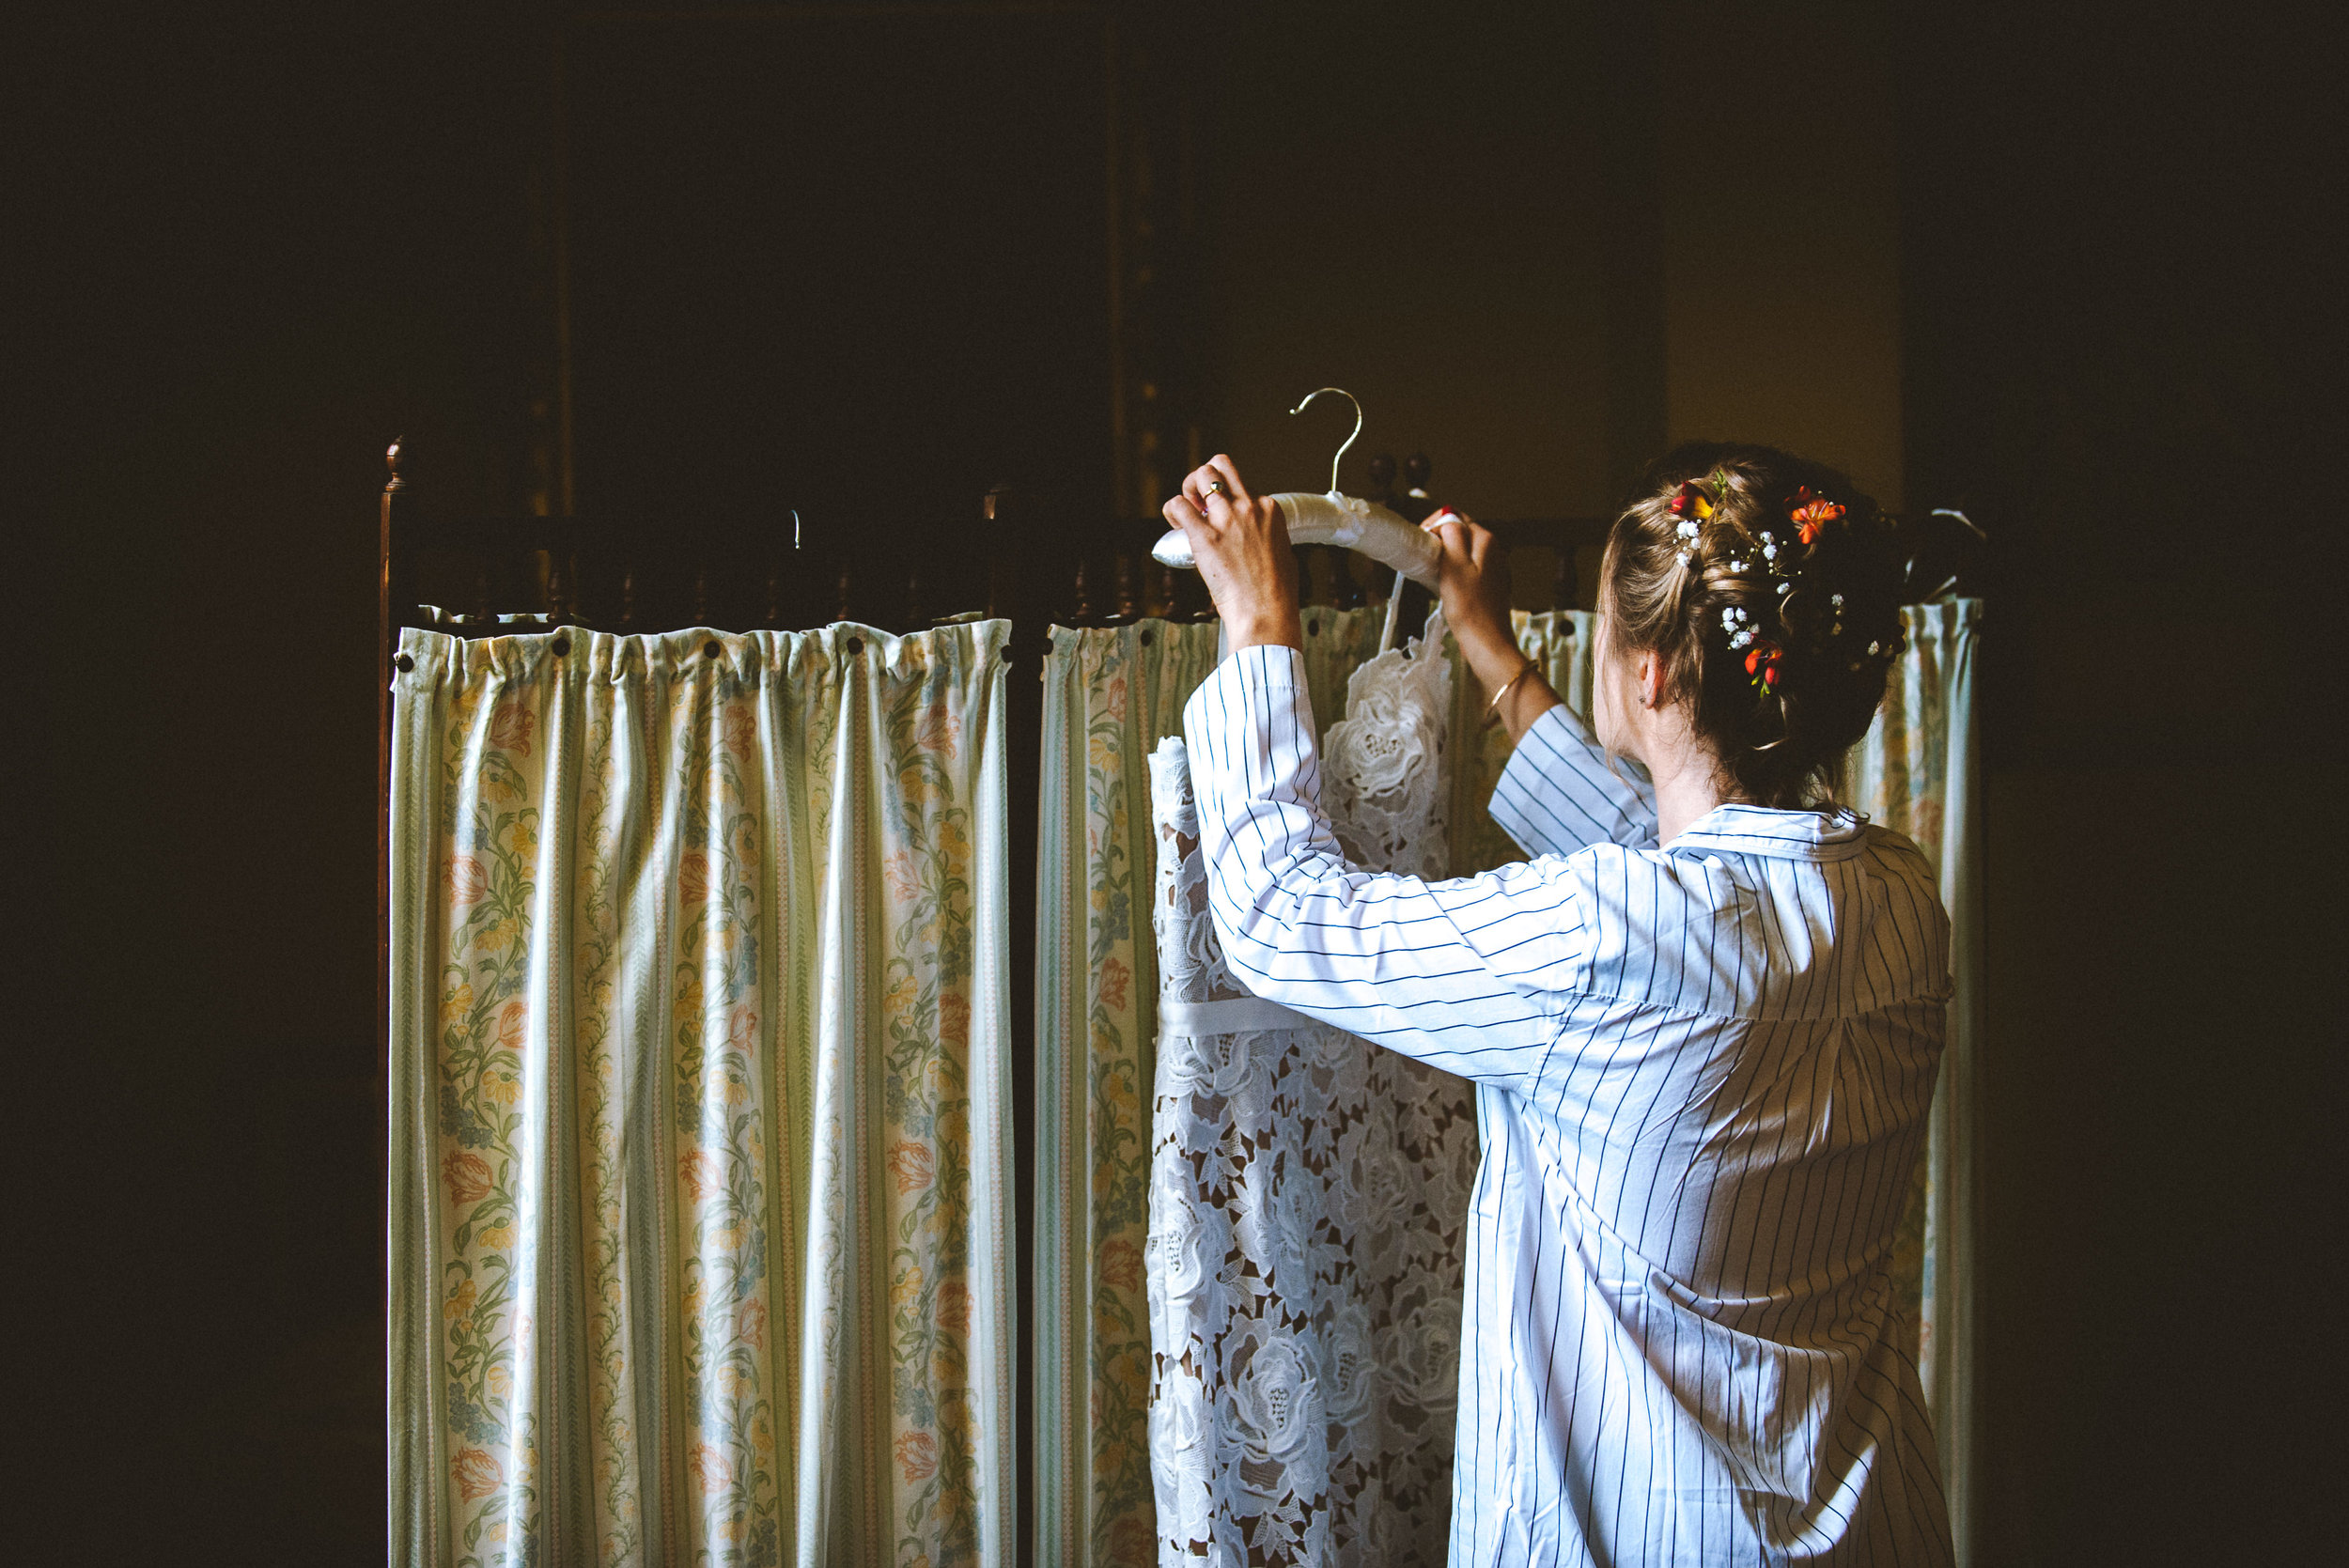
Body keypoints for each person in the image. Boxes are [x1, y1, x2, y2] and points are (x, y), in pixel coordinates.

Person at [1161, 442, 1954, 1566]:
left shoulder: (1603, 933)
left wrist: (1259, 634)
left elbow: (1288, 919)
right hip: (1872, 1527)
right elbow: (1677, 872)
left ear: (1646, 674)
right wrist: (1490, 651)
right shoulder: (1896, 899)